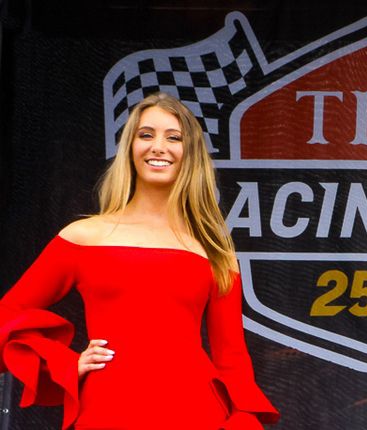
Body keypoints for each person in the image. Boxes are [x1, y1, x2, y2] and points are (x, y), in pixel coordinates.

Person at [0, 93, 280, 429]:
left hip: (198, 415)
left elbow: (232, 360)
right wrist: (62, 365)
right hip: (108, 412)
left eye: (173, 137)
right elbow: (8, 315)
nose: (158, 146)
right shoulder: (84, 236)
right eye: (146, 134)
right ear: (130, 148)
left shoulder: (213, 250)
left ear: (189, 154)